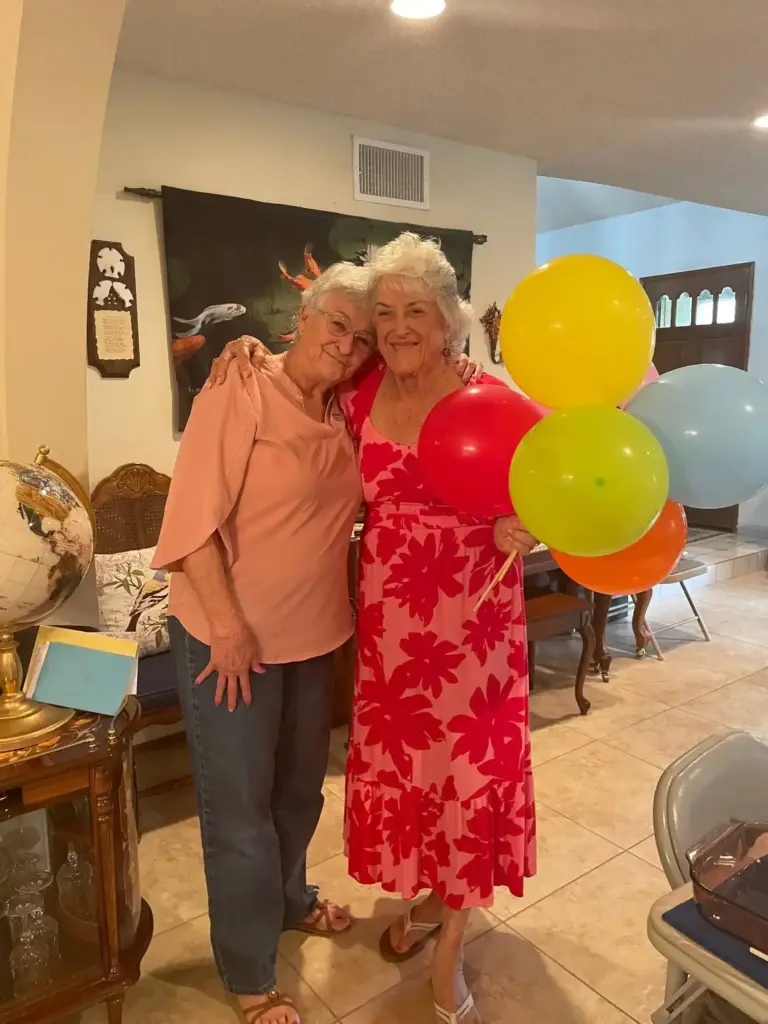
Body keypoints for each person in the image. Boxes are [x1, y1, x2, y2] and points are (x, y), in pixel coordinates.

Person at [214, 232, 536, 1024]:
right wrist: (245, 348)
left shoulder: (487, 393)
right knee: (419, 772)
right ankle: (429, 898)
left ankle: (452, 942)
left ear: (448, 318)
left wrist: (525, 526)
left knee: (470, 775)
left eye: (414, 311)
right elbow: (301, 372)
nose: (396, 327)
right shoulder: (360, 390)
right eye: (384, 312)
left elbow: (556, 487)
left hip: (476, 621)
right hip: (394, 624)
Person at [152, 262, 377, 1024]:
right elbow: (190, 525)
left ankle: (288, 901)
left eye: (363, 336)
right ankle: (249, 972)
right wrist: (227, 627)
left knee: (297, 794)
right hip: (229, 640)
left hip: (315, 638)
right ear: (303, 319)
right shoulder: (240, 384)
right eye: (335, 324)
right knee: (240, 813)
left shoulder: (349, 410)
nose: (346, 345)